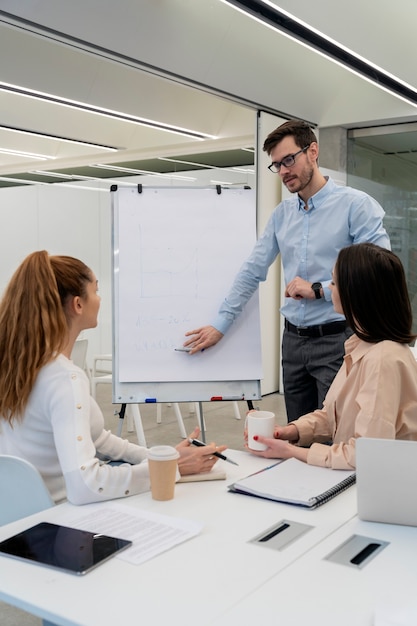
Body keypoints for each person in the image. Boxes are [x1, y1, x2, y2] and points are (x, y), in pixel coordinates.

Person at [183, 120, 390, 422]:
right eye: (277, 165)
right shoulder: (282, 215)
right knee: (298, 435)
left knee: (336, 434)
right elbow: (252, 270)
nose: (283, 172)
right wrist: (220, 324)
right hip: (292, 343)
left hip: (338, 339)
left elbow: (379, 272)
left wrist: (319, 289)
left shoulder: (355, 206)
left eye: (289, 160)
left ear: (313, 151)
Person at [0, 251, 227, 505]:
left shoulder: (19, 366)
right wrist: (168, 468)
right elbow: (87, 486)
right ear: (78, 304)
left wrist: (162, 456)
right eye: (96, 291)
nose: (99, 299)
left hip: (19, 520)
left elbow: (97, 439)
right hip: (59, 522)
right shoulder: (64, 378)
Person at [246, 243, 417, 470]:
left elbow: (364, 455)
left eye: (334, 282)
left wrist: (291, 452)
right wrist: (291, 431)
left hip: (372, 490)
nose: (329, 289)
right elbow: (331, 416)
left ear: (355, 293)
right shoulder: (360, 345)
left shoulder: (383, 360)